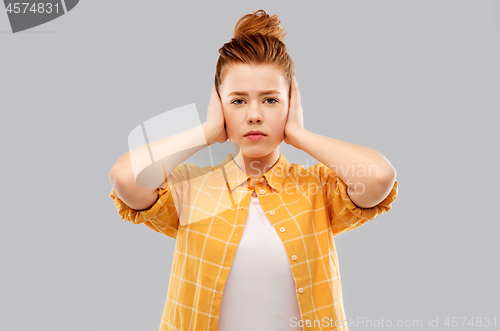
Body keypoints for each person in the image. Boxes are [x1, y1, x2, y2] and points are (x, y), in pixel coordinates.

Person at [109, 9, 398, 331]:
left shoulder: (317, 188)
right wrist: (207, 131)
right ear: (218, 104)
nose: (254, 115)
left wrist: (299, 135)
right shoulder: (191, 188)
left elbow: (378, 177)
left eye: (271, 100)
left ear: (291, 104)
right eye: (238, 101)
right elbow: (125, 179)